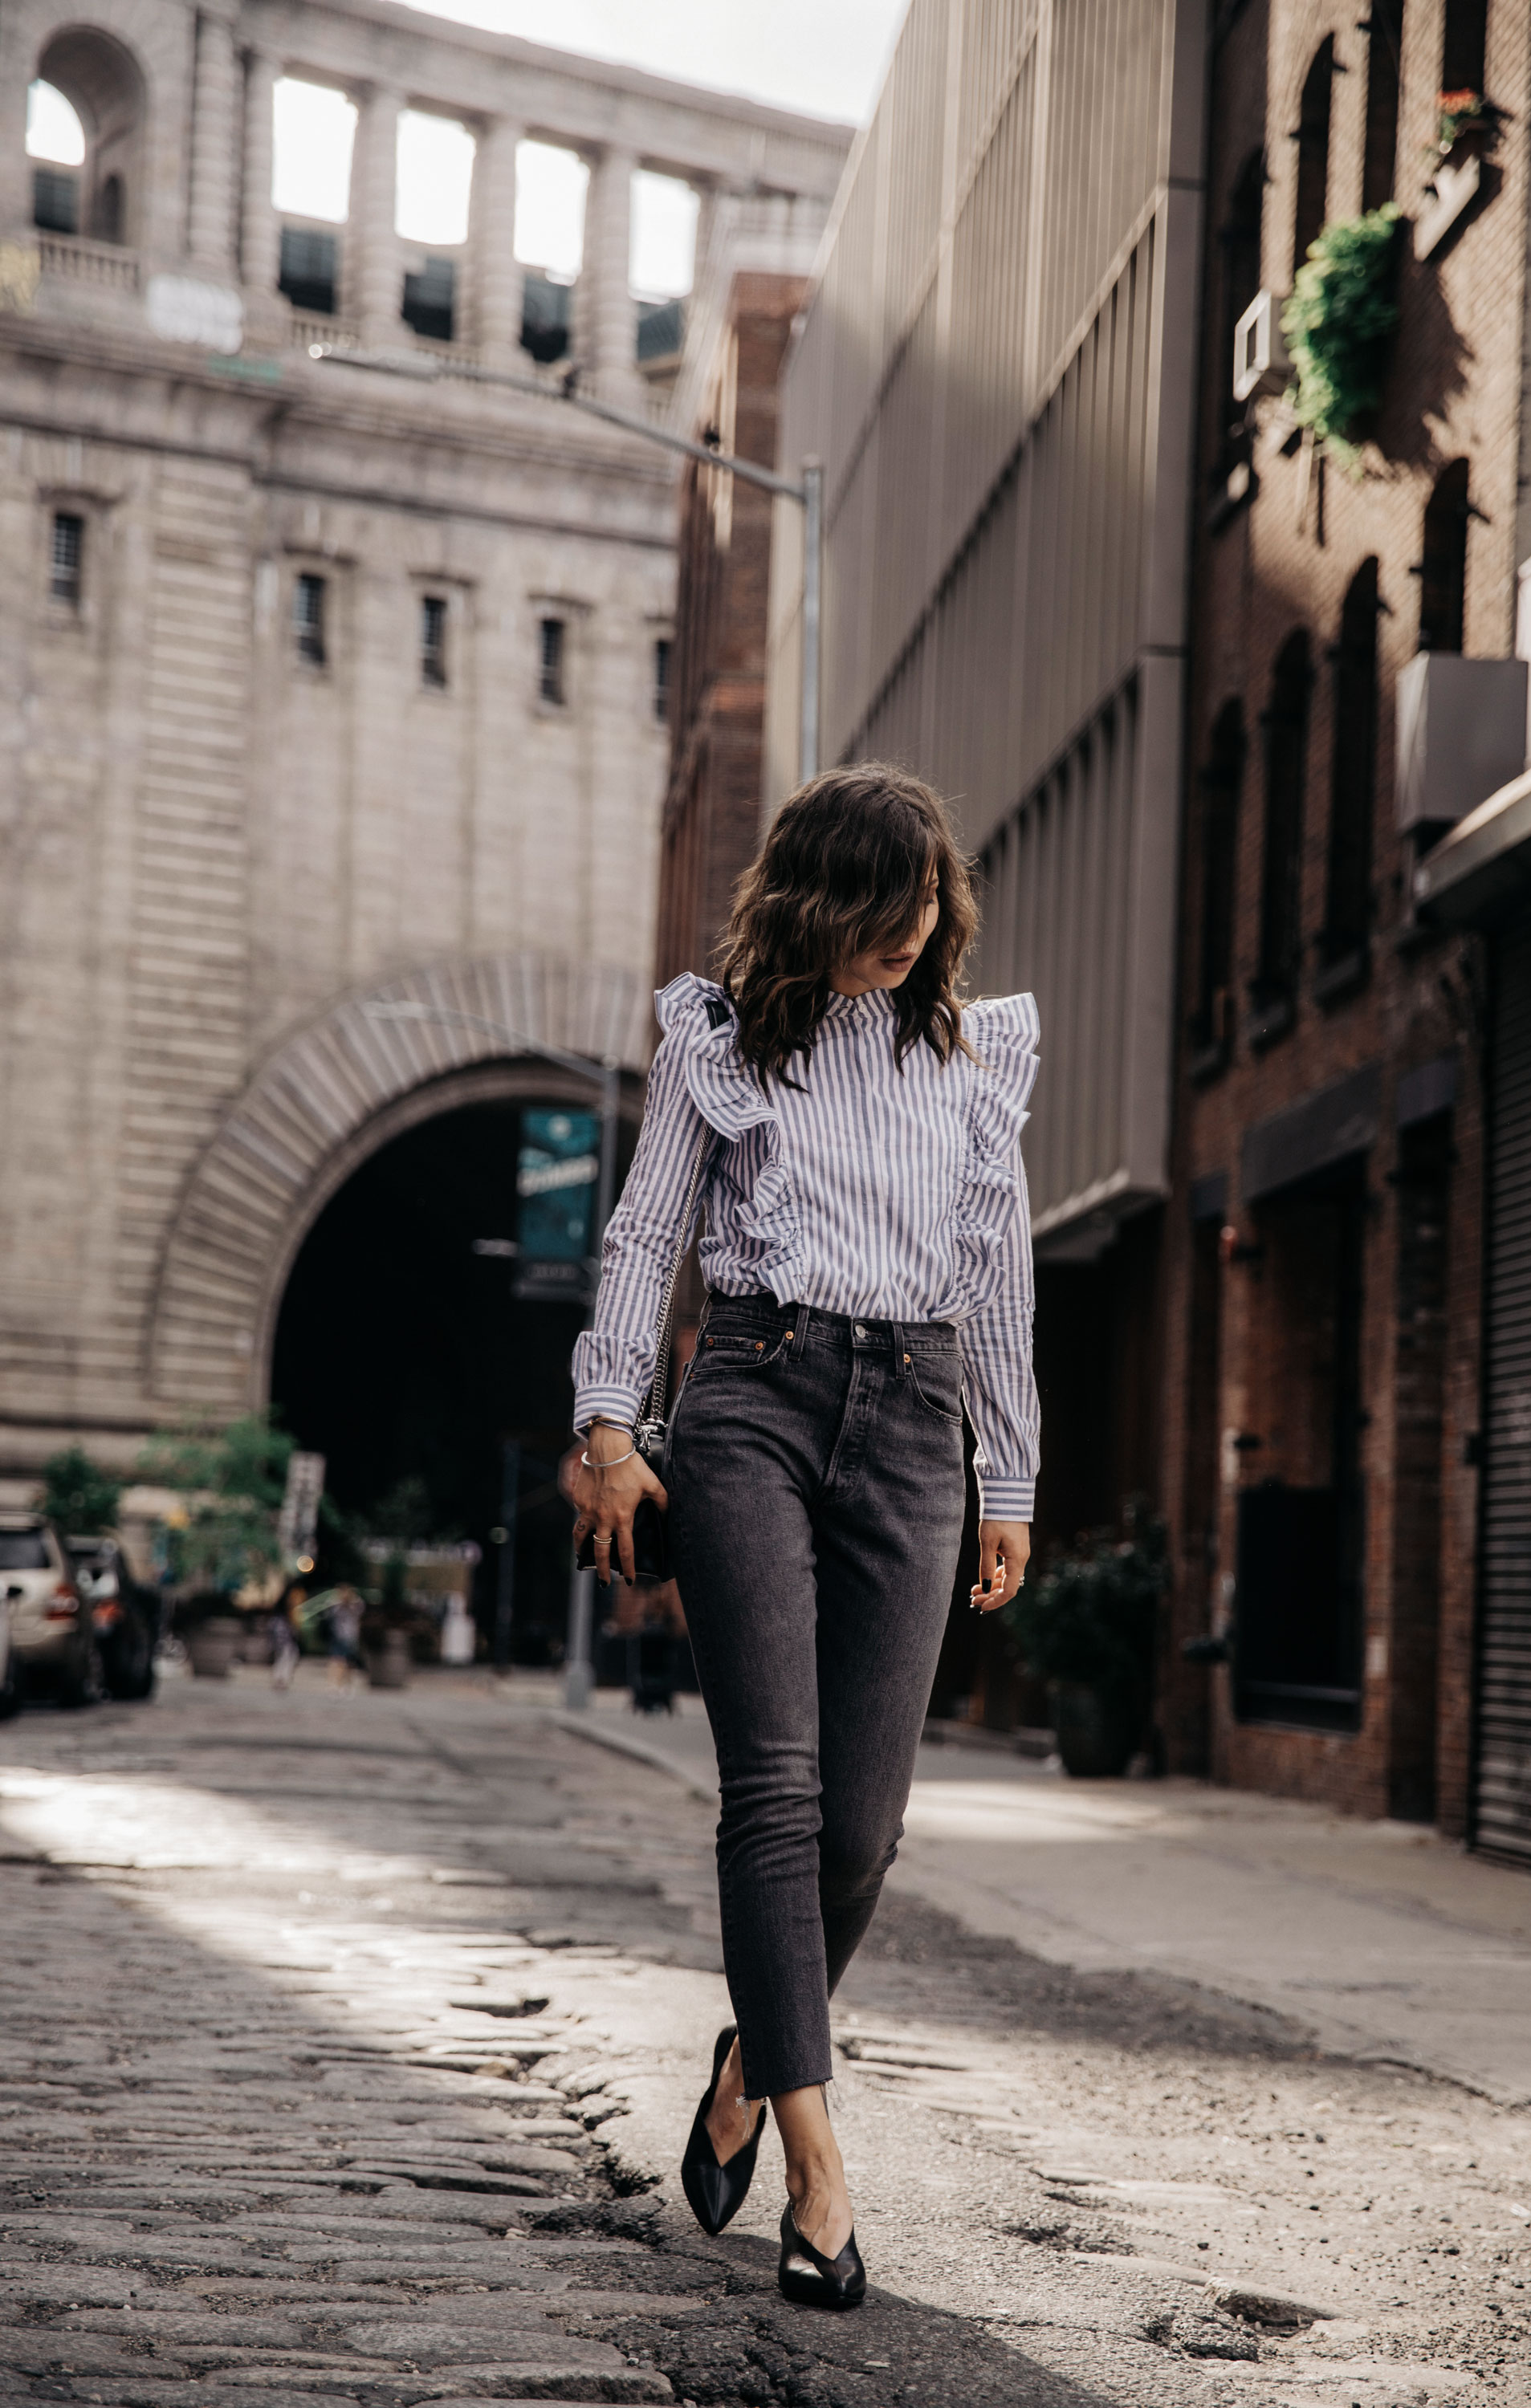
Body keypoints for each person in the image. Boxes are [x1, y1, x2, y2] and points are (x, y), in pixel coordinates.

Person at [569, 765, 1038, 2311]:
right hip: (755, 1401)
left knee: (864, 1830)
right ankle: (823, 2182)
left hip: (914, 1418)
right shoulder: (723, 1042)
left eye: (926, 907)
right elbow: (646, 1237)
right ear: (815, 902)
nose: (907, 934)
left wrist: (1011, 1478)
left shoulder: (973, 1063)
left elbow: (999, 1282)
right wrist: (611, 1425)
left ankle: (750, 2066)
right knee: (774, 1794)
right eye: (877, 907)